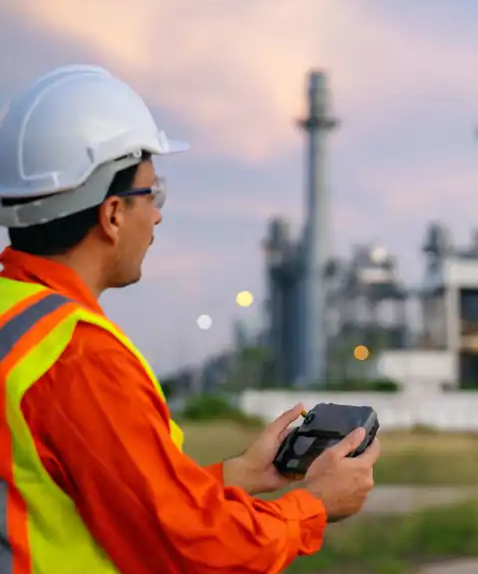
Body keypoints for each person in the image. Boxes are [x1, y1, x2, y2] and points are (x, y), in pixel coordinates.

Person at [0, 64, 380, 573]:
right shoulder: (78, 358)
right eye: (151, 194)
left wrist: (240, 474)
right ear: (112, 214)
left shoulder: (14, 318)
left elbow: (124, 499)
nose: (158, 213)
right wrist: (313, 506)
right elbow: (191, 551)